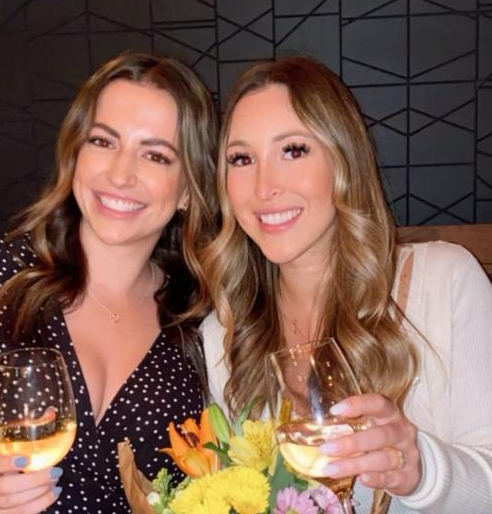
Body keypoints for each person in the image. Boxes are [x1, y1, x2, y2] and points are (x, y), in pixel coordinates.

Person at [199, 56, 492, 514]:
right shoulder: (224, 333)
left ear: (344, 160)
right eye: (241, 159)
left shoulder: (444, 282)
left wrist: (421, 471)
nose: (263, 187)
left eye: (293, 150)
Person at [0, 51, 217, 513]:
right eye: (103, 142)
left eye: (156, 155)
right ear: (75, 154)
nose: (120, 175)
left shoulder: (204, 329)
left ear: (188, 189)